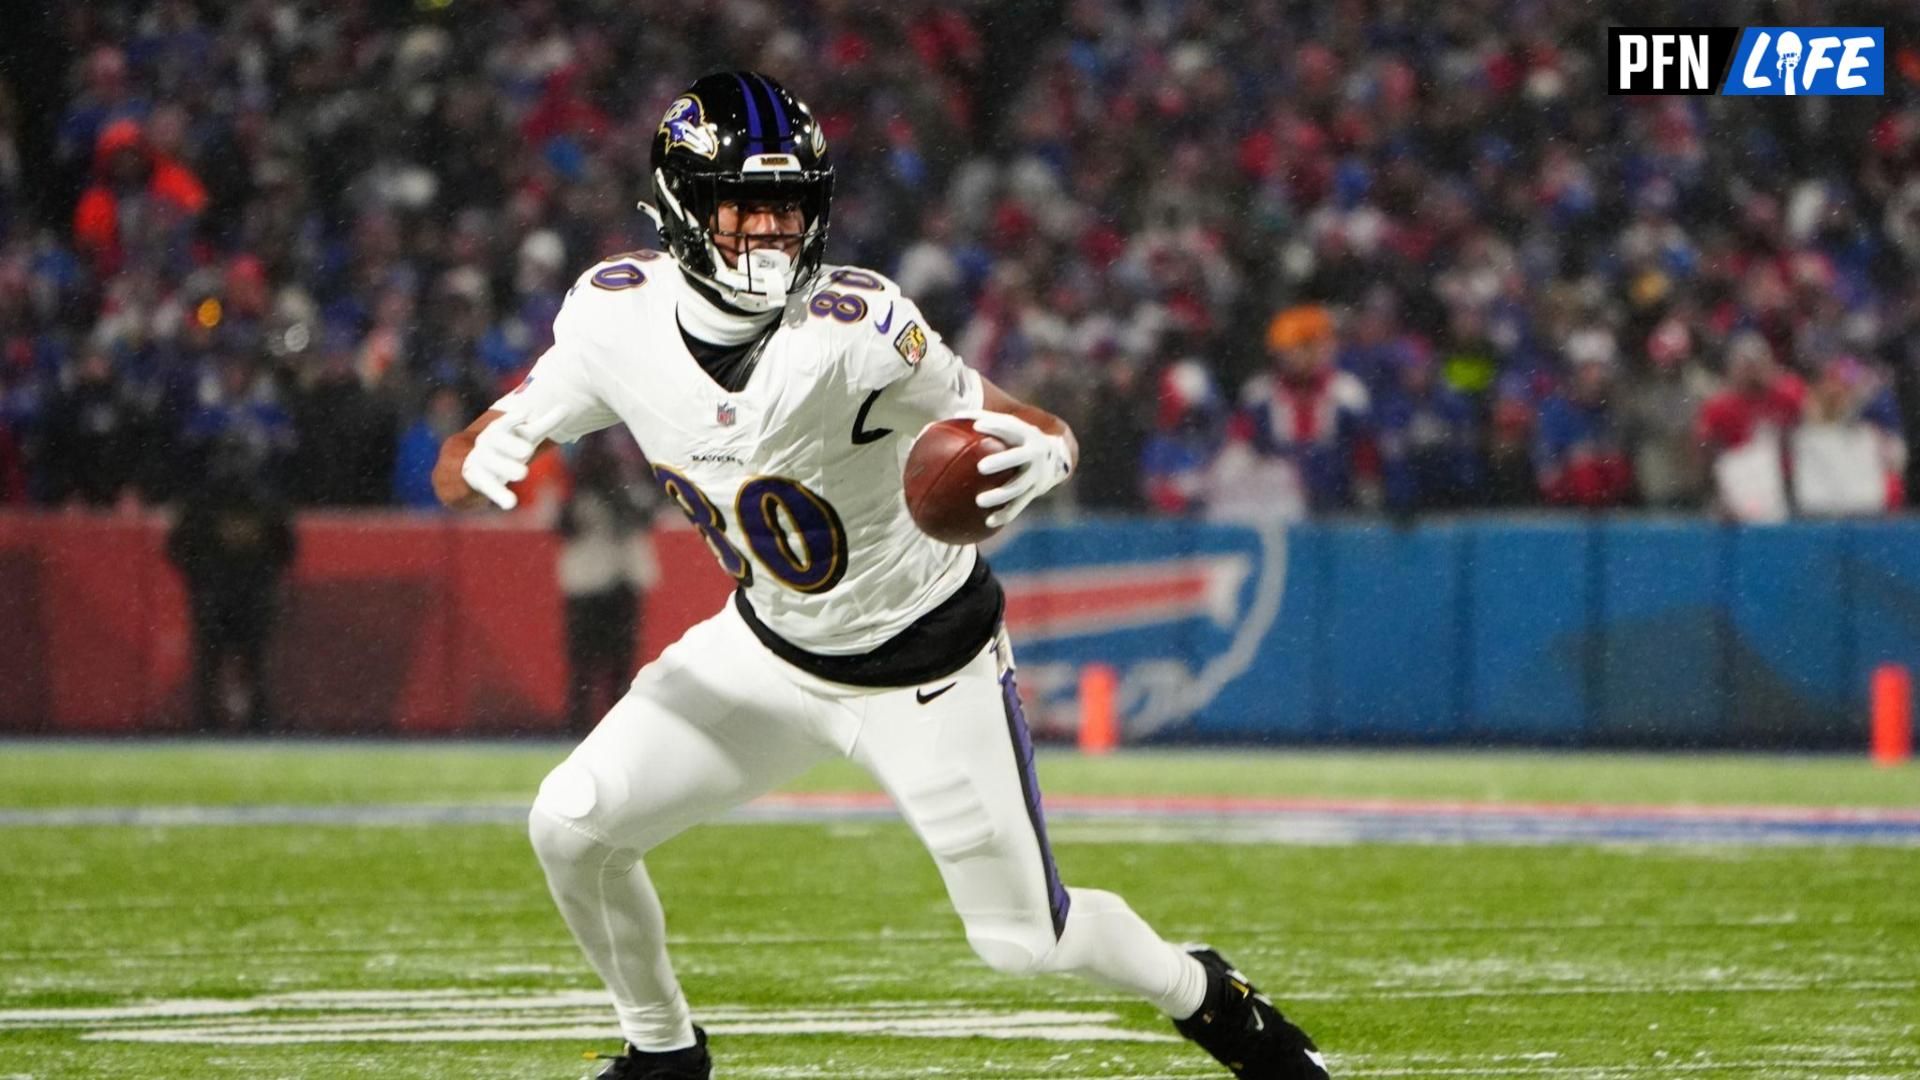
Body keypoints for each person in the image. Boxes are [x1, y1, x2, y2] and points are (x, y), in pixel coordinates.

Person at [432, 72, 1328, 1080]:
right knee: (570, 825)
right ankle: (662, 1049)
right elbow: (470, 449)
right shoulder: (614, 317)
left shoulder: (856, 329)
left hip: (925, 666)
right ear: (682, 208)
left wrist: (1050, 453)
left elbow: (1024, 422)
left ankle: (1202, 991)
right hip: (765, 650)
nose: (771, 235)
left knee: (1024, 940)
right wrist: (485, 456)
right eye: (745, 210)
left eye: (790, 211)